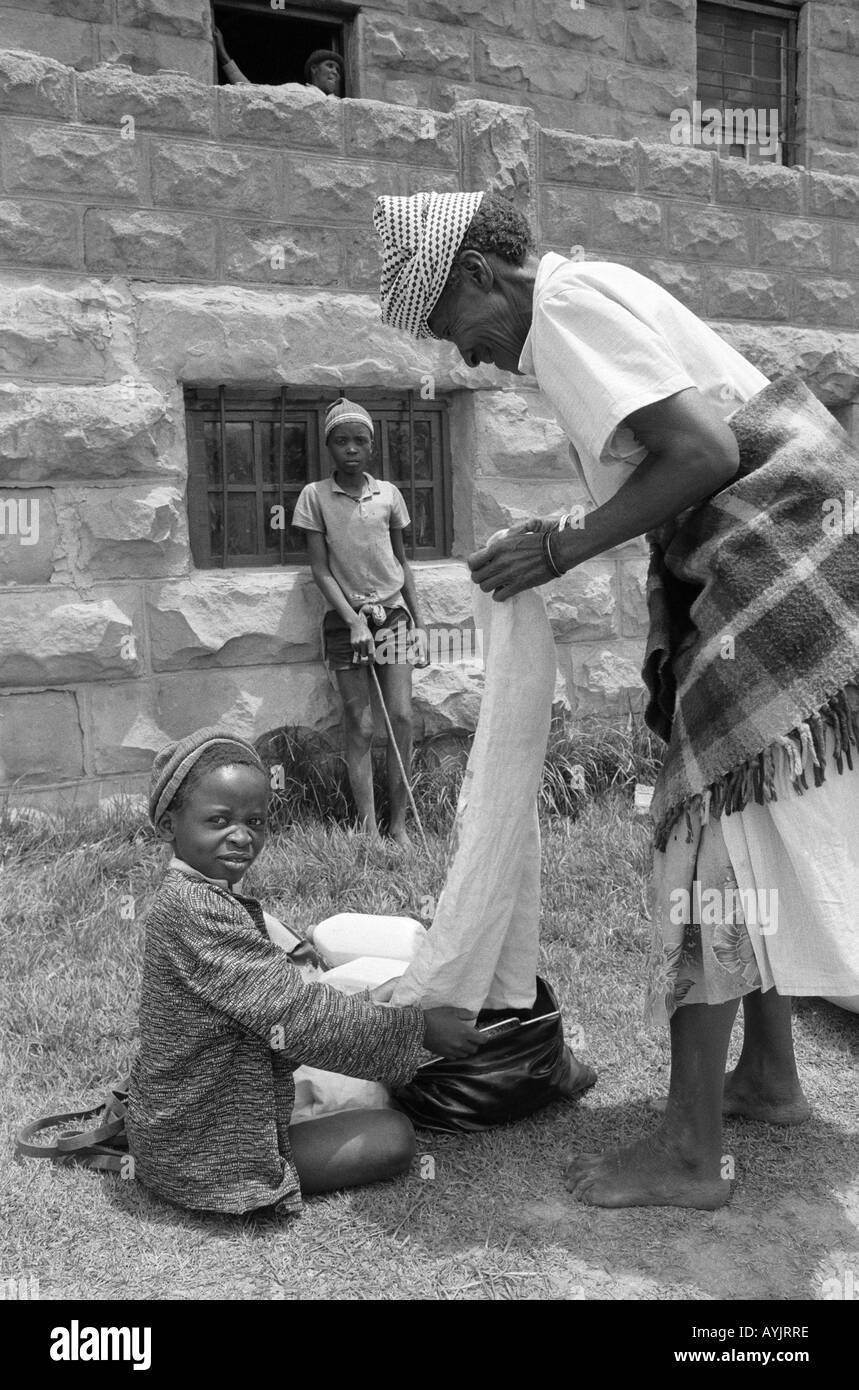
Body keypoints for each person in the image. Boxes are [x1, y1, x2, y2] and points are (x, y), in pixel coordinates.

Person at [373, 189, 859, 1210]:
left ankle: (689, 1155)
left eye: (450, 331)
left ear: (477, 276)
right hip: (790, 565)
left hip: (766, 578)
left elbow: (704, 455)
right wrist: (569, 530)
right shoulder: (585, 292)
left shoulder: (562, 314)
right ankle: (768, 1077)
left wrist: (558, 546)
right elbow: (673, 459)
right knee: (745, 830)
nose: (465, 357)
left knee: (706, 846)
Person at [126, 726, 483, 1217]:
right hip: (208, 1156)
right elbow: (295, 1018)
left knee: (372, 1106)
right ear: (169, 825)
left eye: (256, 820)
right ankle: (250, 1174)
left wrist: (372, 1004)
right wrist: (419, 1031)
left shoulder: (198, 897)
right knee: (393, 1137)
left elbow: (272, 1006)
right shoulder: (195, 911)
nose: (242, 835)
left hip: (189, 1130)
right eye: (219, 820)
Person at [293, 398, 428, 848]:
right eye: (342, 440)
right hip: (345, 621)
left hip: (393, 618)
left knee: (402, 718)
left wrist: (420, 624)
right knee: (361, 723)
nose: (351, 448)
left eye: (360, 440)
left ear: (371, 446)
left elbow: (403, 563)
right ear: (329, 445)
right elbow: (320, 570)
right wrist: (353, 621)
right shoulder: (315, 496)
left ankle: (400, 825)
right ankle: (368, 828)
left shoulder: (389, 494)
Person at [214, 28, 343, 98]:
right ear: (314, 69)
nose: (335, 72)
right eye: (330, 65)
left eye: (337, 69)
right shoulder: (298, 91)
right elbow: (251, 91)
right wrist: (223, 53)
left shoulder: (339, 104)